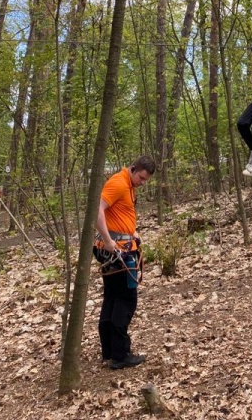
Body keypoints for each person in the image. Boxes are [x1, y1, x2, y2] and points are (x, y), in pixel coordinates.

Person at [95, 154, 156, 369]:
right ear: (132, 169)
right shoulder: (118, 183)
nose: (142, 183)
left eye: (145, 180)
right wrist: (108, 241)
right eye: (141, 178)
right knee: (126, 299)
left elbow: (119, 214)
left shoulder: (127, 184)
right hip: (115, 251)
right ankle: (120, 355)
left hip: (120, 247)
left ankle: (110, 350)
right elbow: (97, 210)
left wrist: (133, 232)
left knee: (112, 297)